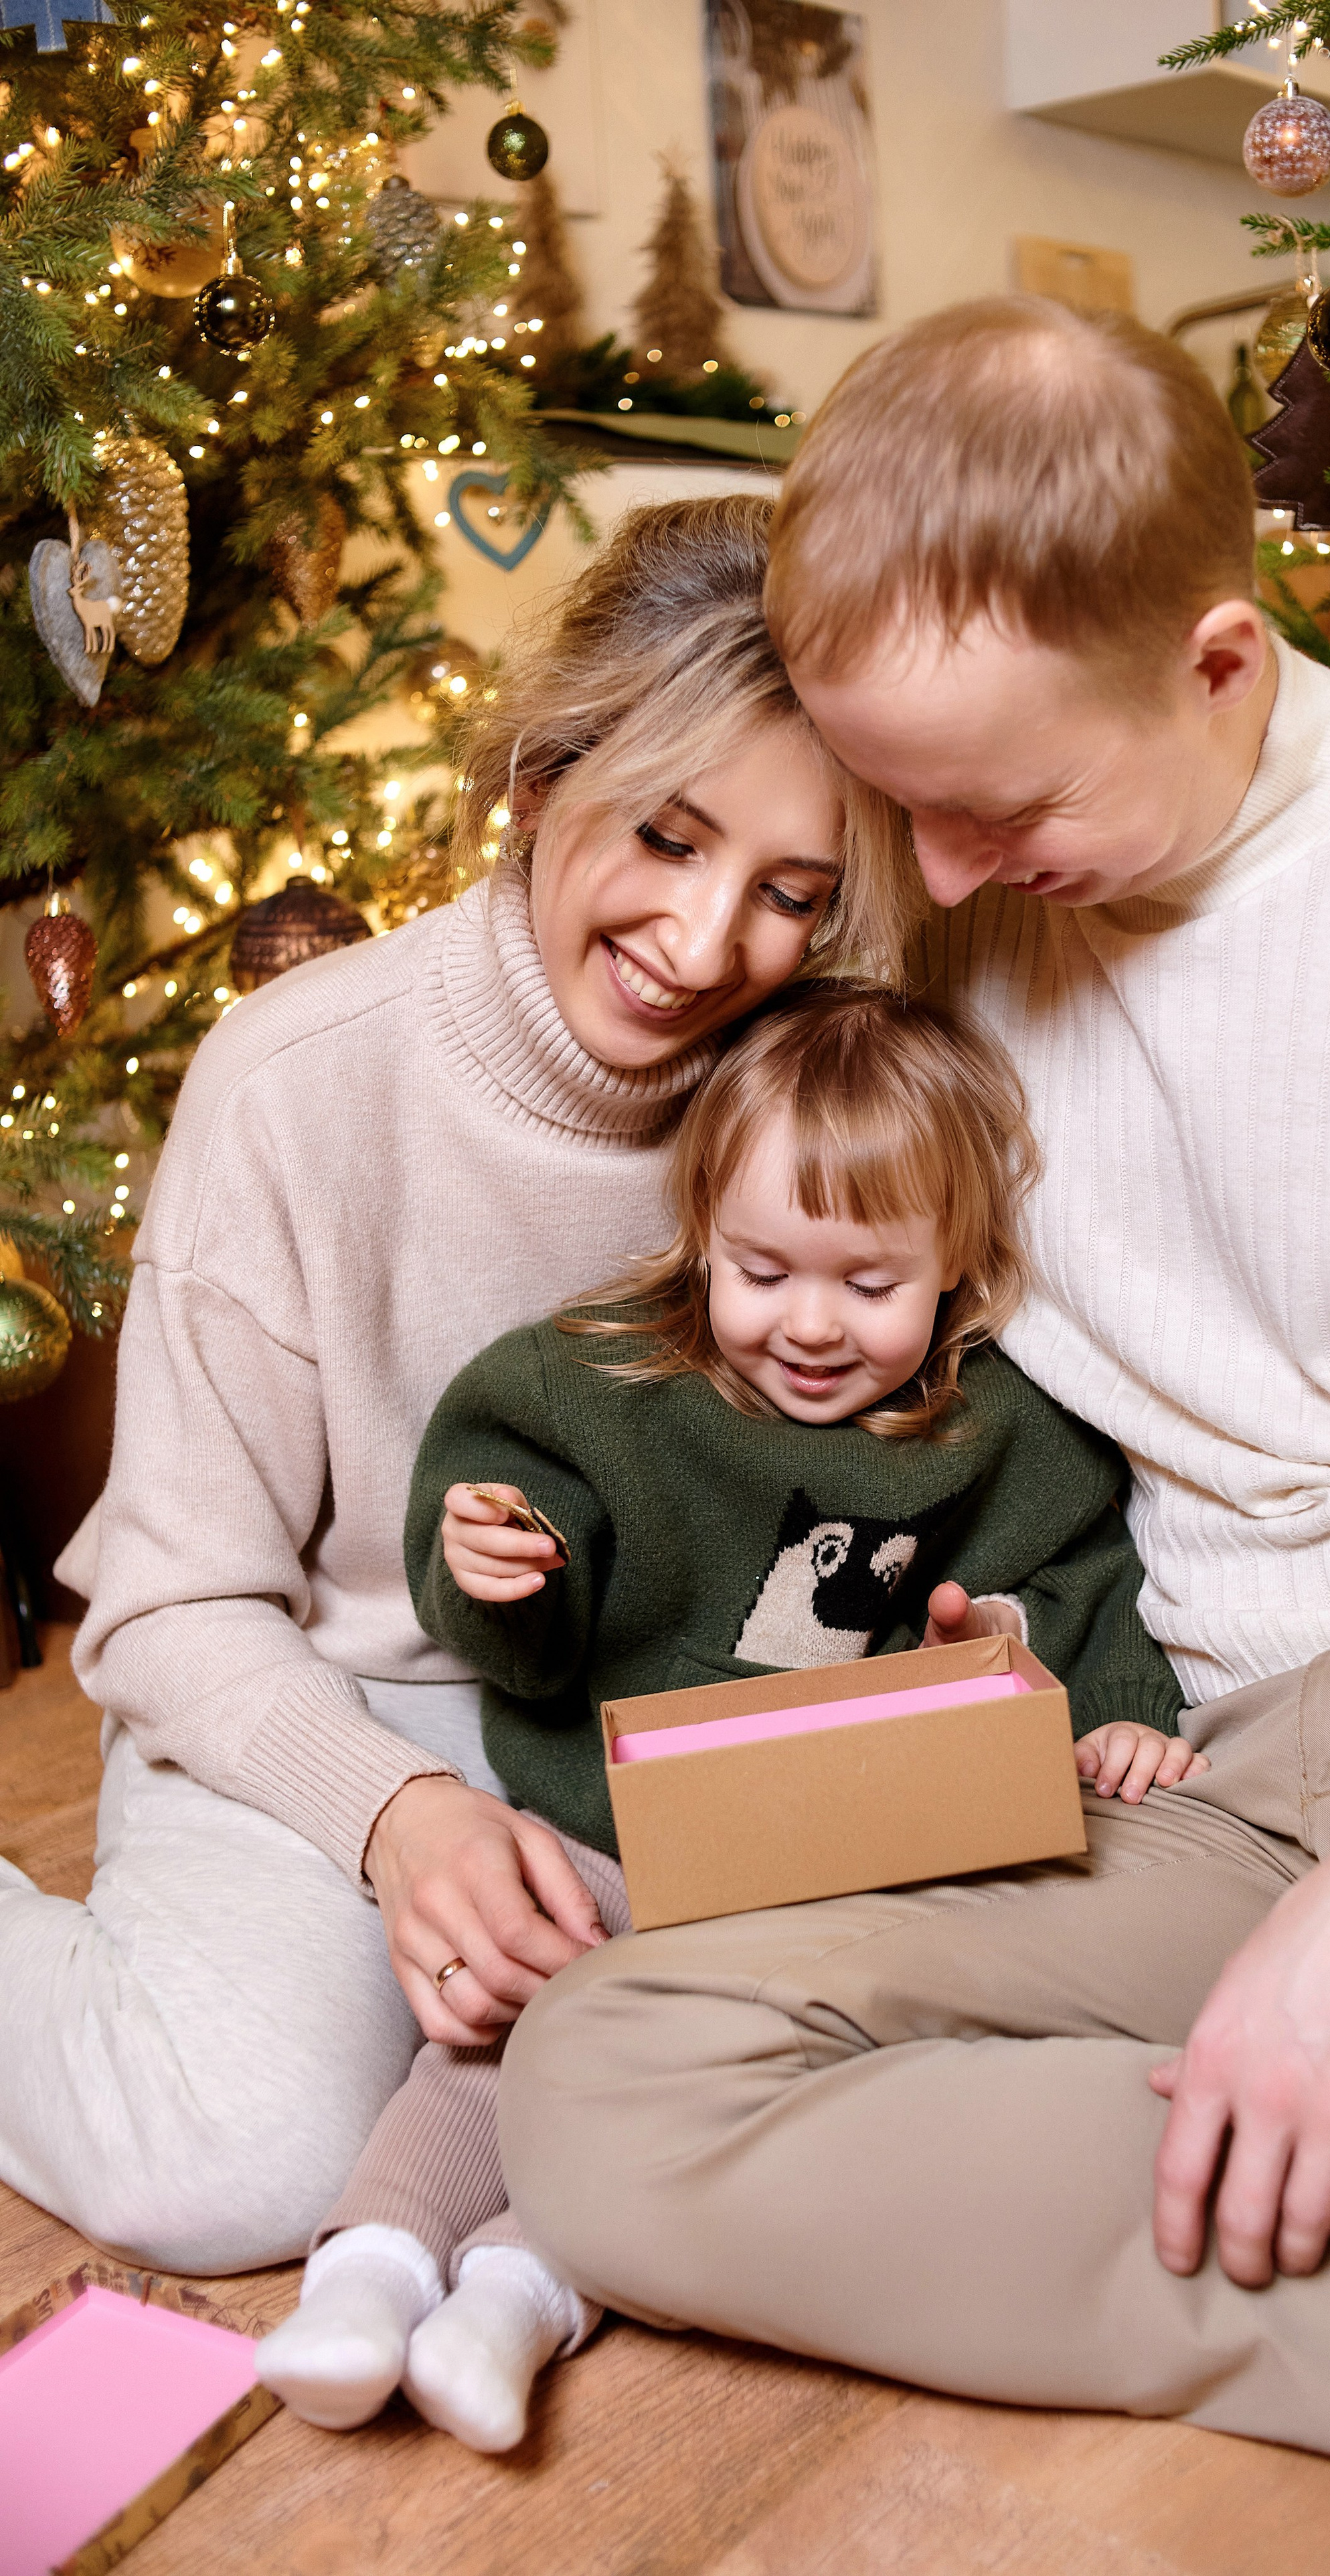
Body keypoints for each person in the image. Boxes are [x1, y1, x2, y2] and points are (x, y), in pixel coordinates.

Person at [497, 301, 1330, 2524]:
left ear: (1222, 663)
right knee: (606, 2081)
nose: (941, 885)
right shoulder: (957, 898)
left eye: (1003, 806)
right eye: (905, 809)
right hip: (1211, 1769)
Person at [0, 495, 924, 2275]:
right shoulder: (296, 1080)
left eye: (789, 895)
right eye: (665, 836)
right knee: (237, 2167)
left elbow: (889, 1448)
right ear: (541, 778)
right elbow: (173, 1606)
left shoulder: (824, 1098)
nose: (706, 942)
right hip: (332, 1686)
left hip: (657, 1718)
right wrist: (396, 1819)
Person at [254, 983, 1195, 2451]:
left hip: (828, 1874)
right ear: (701, 1229)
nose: (808, 1325)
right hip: (610, 1820)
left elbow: (1082, 1576)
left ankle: (518, 2295)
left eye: (869, 1285)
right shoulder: (595, 1383)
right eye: (761, 1271)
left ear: (957, 1264)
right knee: (509, 2016)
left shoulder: (1000, 1427)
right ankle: (366, 2269)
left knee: (695, 2081)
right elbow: (511, 1600)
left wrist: (1108, 1707)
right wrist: (495, 1567)